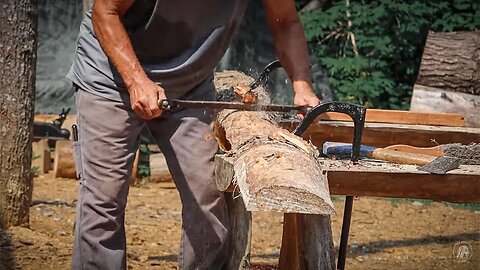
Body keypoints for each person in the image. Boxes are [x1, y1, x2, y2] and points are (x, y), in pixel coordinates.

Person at [67, 0, 321, 269]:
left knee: (207, 194)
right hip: (111, 78)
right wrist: (136, 81)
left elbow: (286, 21)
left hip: (191, 85)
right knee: (103, 200)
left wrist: (301, 85)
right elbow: (105, 10)